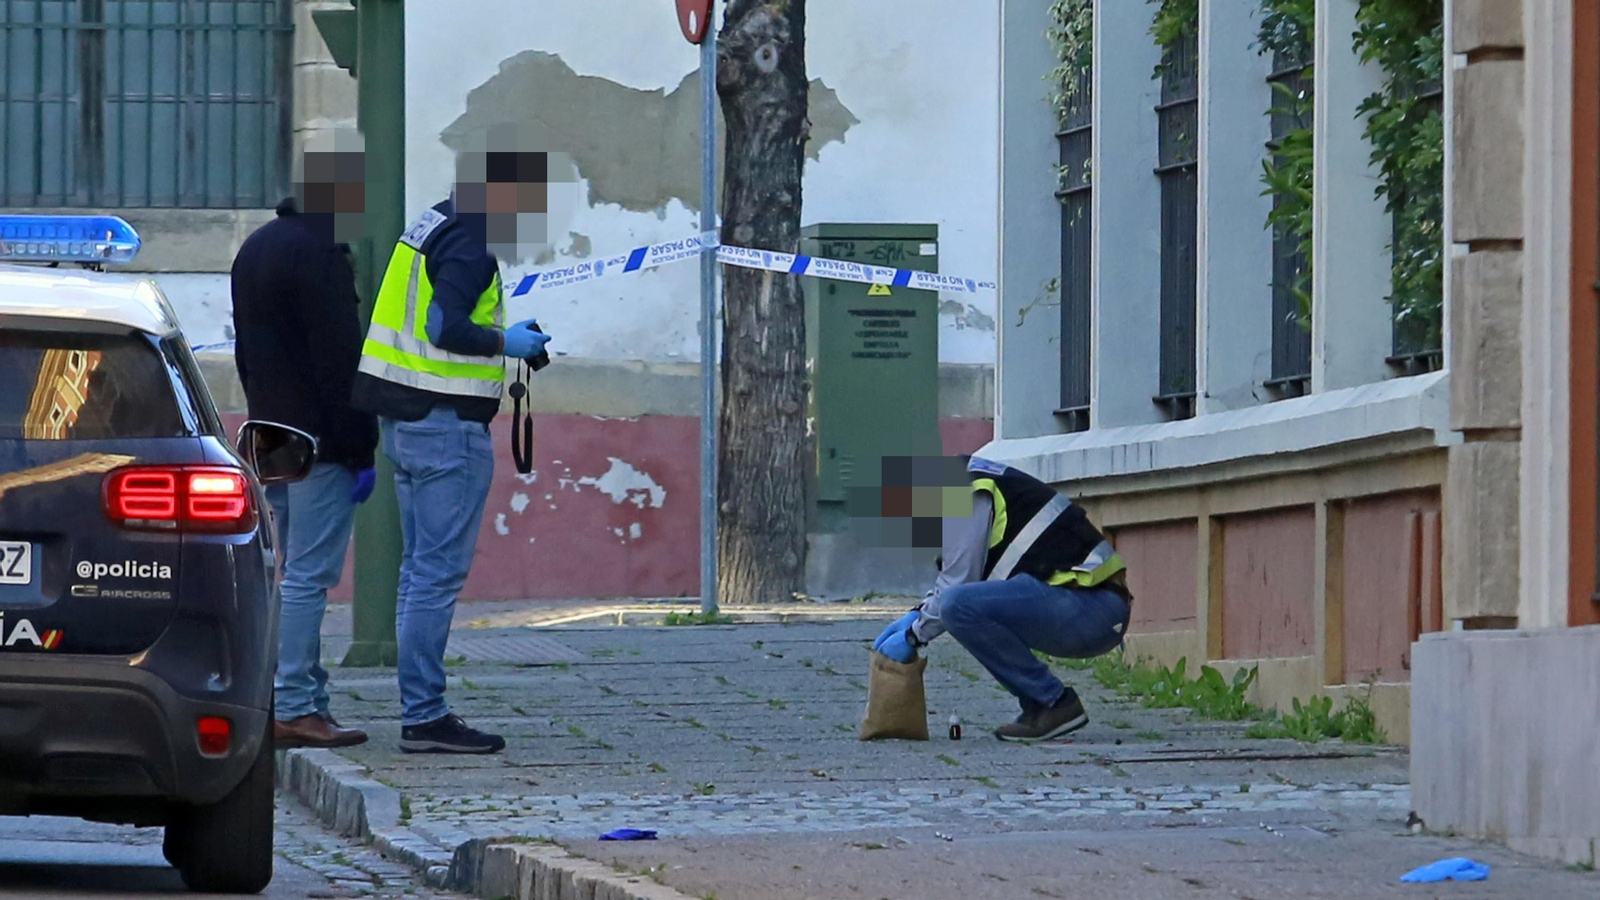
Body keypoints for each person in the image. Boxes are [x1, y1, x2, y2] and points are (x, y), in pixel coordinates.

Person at [351, 143, 552, 754]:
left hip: (407, 422)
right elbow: (445, 327)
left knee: (418, 575)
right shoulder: (468, 239)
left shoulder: (431, 224)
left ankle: (422, 710)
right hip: (446, 429)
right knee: (435, 577)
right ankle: (425, 716)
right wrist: (508, 343)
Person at [231, 135, 377, 749]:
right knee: (308, 579)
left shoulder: (257, 247)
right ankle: (296, 703)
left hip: (272, 436)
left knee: (284, 574)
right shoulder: (320, 255)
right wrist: (361, 447)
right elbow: (340, 362)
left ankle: (292, 694)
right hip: (320, 441)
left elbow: (247, 350)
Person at [872, 456, 1133, 742]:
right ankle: (1040, 706)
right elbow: (957, 580)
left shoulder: (963, 495)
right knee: (958, 604)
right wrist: (915, 614)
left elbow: (957, 585)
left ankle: (1053, 702)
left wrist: (913, 635)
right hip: (1087, 606)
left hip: (1092, 609)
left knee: (958, 606)